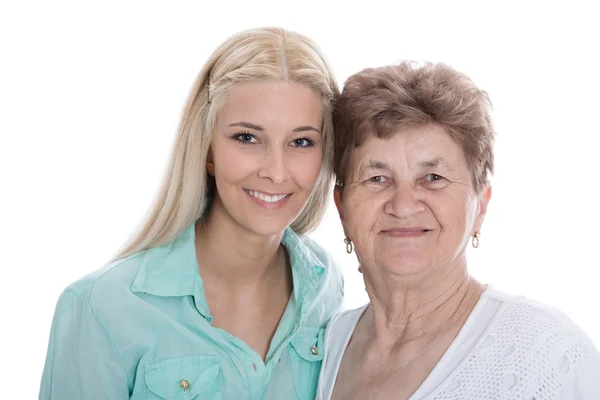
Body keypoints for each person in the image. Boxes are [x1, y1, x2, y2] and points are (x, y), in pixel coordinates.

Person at [39, 27, 344, 400]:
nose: (276, 171)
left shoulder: (325, 287)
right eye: (247, 137)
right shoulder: (101, 309)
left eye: (301, 142)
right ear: (207, 148)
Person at [317, 61, 600, 399]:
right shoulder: (320, 350)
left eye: (433, 178)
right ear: (342, 207)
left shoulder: (548, 354)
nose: (404, 205)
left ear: (480, 205)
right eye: (377, 179)